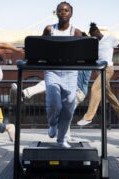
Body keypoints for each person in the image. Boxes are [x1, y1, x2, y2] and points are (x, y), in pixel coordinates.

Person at [77, 22, 119, 126]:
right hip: (98, 71)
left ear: (97, 31)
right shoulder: (93, 42)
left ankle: (88, 117)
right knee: (107, 93)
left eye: (93, 35)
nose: (93, 38)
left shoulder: (110, 39)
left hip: (107, 69)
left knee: (95, 89)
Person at [42, 1, 82, 148]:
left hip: (70, 72)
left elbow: (81, 52)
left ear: (71, 13)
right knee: (54, 103)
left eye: (66, 10)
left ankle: (61, 139)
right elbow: (41, 47)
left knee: (68, 107)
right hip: (52, 70)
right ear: (56, 13)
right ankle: (52, 124)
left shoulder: (76, 32)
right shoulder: (49, 29)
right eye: (60, 10)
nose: (63, 12)